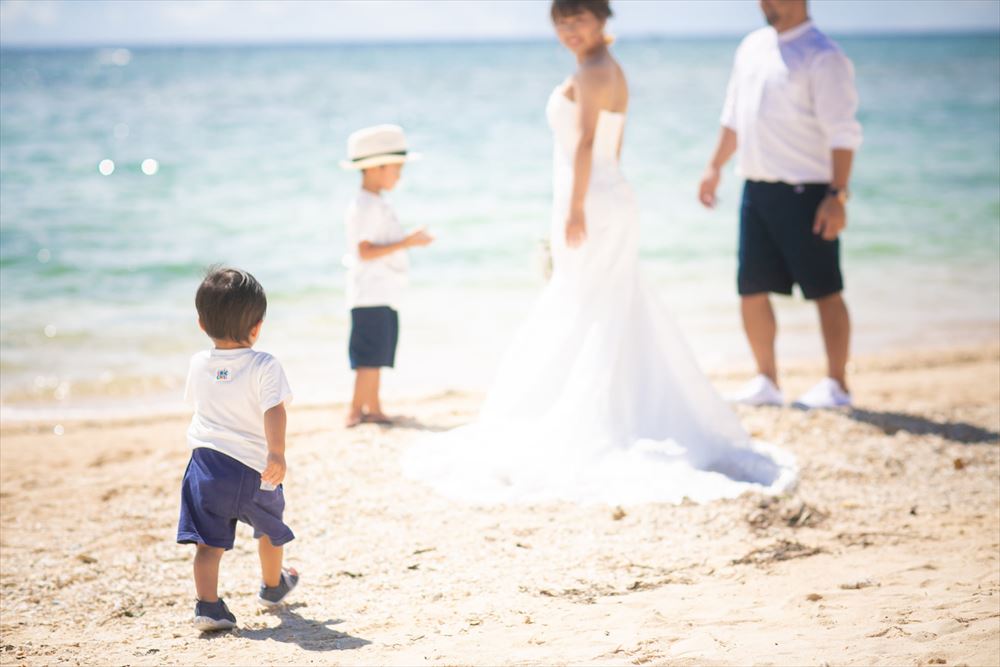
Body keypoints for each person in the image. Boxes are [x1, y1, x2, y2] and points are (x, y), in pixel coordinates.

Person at [400, 0, 797, 505]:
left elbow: (588, 143)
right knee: (604, 304)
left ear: (602, 19)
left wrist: (575, 209)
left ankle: (599, 419)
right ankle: (619, 410)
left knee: (588, 304)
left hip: (591, 200)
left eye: (580, 18)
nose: (570, 29)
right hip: (607, 195)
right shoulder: (606, 67)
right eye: (562, 22)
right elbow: (613, 144)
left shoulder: (595, 71)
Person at [698, 0, 862, 409]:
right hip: (756, 188)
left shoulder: (823, 56)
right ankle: (766, 381)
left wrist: (837, 196)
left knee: (825, 289)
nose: (765, 3)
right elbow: (734, 117)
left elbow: (844, 133)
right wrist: (714, 167)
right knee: (750, 288)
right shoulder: (752, 46)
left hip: (807, 192)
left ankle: (837, 385)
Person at [176, 267, 298, 632]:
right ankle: (274, 586)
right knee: (268, 529)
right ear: (257, 326)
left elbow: (198, 405)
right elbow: (274, 408)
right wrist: (276, 453)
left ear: (201, 323)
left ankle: (208, 607)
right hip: (252, 469)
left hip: (204, 468)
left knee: (207, 544)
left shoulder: (198, 363)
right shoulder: (264, 364)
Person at [340, 124, 433, 428]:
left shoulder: (376, 202)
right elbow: (364, 250)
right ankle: (355, 410)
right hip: (370, 292)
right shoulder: (365, 205)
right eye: (397, 168)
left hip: (381, 292)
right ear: (377, 168)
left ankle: (374, 407)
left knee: (378, 353)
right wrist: (408, 242)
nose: (400, 175)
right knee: (368, 355)